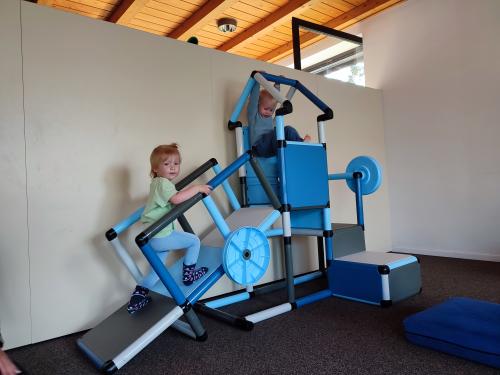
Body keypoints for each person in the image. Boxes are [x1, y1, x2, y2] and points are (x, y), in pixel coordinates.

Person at [127, 143, 212, 314]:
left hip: (152, 238)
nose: (173, 167)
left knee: (156, 272)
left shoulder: (157, 184)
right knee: (194, 241)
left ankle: (137, 298)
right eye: (167, 164)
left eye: (176, 163)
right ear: (155, 169)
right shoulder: (163, 184)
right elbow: (176, 199)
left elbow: (173, 197)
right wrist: (197, 188)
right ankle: (188, 275)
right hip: (160, 235)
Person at [248, 80, 311, 158]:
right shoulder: (254, 115)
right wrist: (257, 80)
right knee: (277, 132)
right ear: (258, 104)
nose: (268, 112)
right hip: (259, 146)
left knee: (288, 129)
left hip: (271, 148)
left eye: (271, 110)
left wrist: (277, 83)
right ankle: (292, 148)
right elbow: (253, 98)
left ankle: (301, 144)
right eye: (266, 109)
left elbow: (274, 98)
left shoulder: (269, 115)